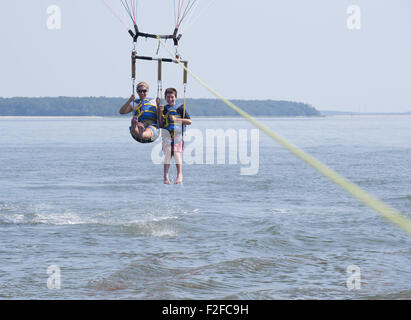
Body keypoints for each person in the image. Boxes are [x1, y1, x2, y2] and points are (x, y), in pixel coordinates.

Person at [156, 88, 192, 184]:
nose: (170, 99)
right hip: (167, 136)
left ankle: (179, 175)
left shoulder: (180, 108)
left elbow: (189, 121)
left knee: (177, 154)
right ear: (165, 98)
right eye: (168, 97)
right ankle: (165, 177)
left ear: (175, 97)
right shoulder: (164, 109)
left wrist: (176, 119)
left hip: (177, 136)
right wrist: (159, 112)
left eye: (172, 97)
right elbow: (160, 123)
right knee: (167, 154)